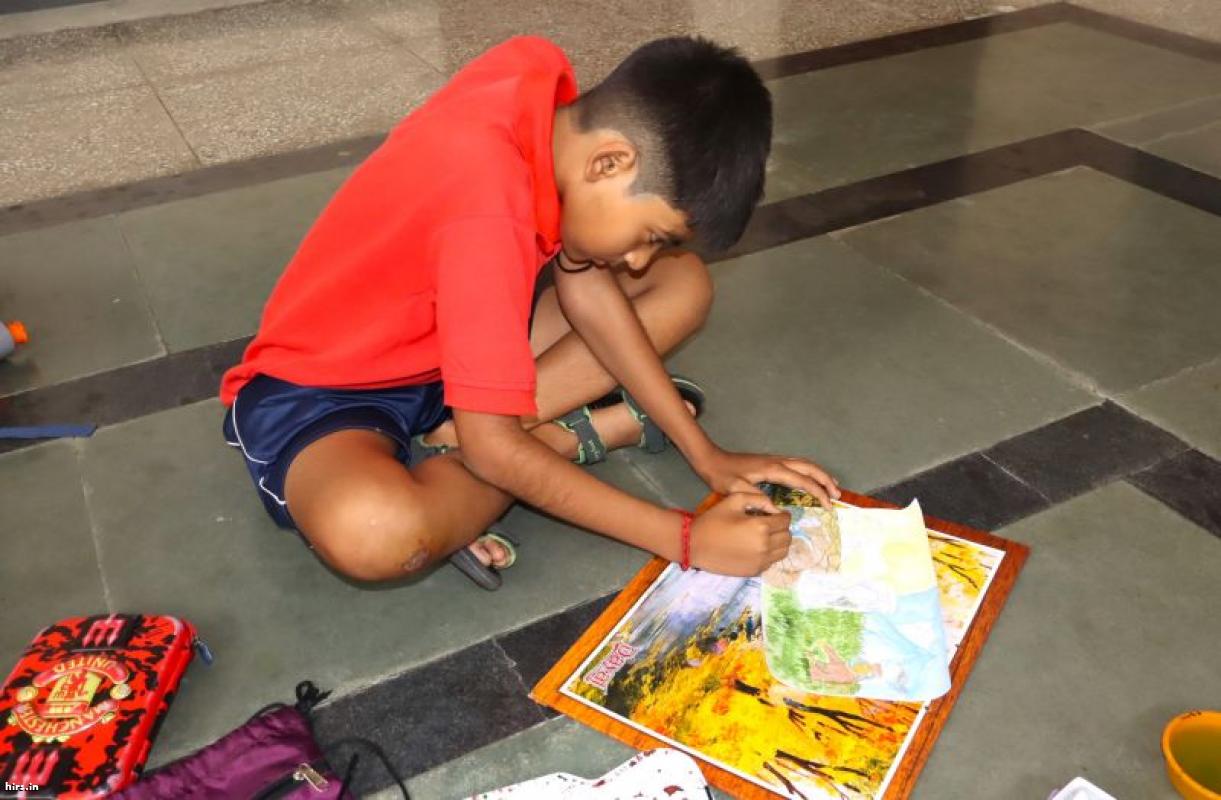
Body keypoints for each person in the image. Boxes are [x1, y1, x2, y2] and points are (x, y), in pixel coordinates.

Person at [220, 34, 841, 590]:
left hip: (453, 345)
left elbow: (583, 283)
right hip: (327, 388)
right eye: (650, 234)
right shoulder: (487, 202)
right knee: (376, 532)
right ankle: (561, 440)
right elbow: (492, 450)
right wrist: (685, 539)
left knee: (681, 283)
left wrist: (706, 454)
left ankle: (466, 451)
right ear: (610, 162)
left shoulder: (542, 101)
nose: (637, 259)